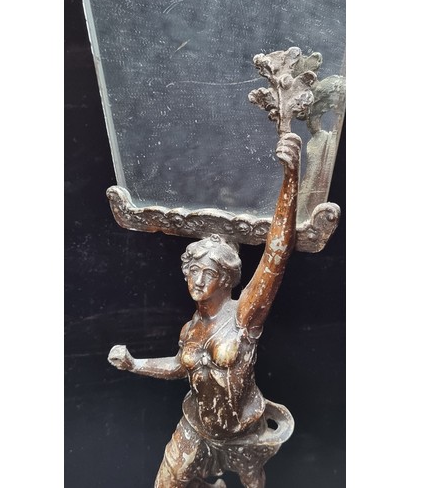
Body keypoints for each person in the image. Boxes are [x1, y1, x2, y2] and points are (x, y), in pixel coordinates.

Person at [108, 132, 301, 488]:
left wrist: (290, 179)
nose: (197, 280)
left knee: (252, 482)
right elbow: (179, 366)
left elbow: (276, 253)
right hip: (197, 426)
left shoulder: (244, 317)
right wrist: (135, 364)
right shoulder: (191, 329)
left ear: (226, 280)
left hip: (241, 430)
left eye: (208, 273)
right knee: (167, 483)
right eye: (193, 271)